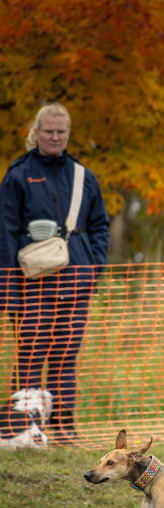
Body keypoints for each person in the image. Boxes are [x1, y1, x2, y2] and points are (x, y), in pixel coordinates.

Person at [0, 103, 110, 445]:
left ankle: (64, 428)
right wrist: (9, 293)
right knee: (31, 354)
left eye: (61, 132)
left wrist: (94, 268)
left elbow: (99, 227)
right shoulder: (18, 174)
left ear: (68, 133)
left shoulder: (83, 176)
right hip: (32, 283)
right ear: (36, 132)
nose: (55, 137)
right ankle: (25, 428)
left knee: (65, 356)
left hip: (77, 281)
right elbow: (4, 234)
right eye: (48, 131)